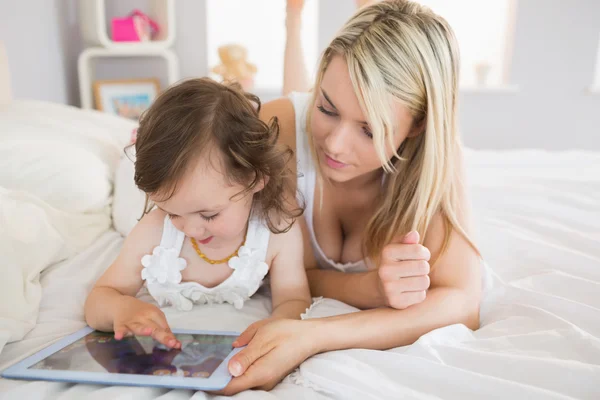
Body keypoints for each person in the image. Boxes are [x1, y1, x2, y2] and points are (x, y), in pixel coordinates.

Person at [219, 0, 483, 394]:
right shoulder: (281, 129)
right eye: (326, 107)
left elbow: (463, 302)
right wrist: (372, 290)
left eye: (370, 129)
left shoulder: (436, 164)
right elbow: (269, 271)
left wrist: (311, 336)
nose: (337, 146)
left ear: (418, 124)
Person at [84, 78, 311, 349]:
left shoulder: (276, 230)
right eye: (173, 213)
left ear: (255, 179)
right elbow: (100, 298)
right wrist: (120, 308)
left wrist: (277, 326)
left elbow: (293, 300)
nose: (190, 230)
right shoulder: (153, 231)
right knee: (124, 212)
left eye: (209, 215)